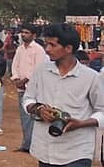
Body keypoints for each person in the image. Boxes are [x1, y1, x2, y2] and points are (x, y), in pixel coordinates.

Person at [24, 23, 104, 167]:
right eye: (46, 44)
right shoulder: (41, 71)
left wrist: (81, 123)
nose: (47, 49)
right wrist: (38, 110)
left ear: (68, 48)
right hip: (45, 148)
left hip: (77, 150)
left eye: (52, 45)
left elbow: (102, 111)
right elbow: (28, 98)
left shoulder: (91, 77)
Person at [12, 23, 47, 153]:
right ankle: (27, 143)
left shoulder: (38, 50)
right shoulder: (20, 49)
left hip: (34, 87)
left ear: (34, 35)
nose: (23, 34)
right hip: (21, 87)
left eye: (26, 32)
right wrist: (16, 78)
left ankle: (31, 144)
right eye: (23, 32)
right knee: (24, 116)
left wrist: (25, 79)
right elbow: (15, 65)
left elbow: (38, 69)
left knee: (33, 117)